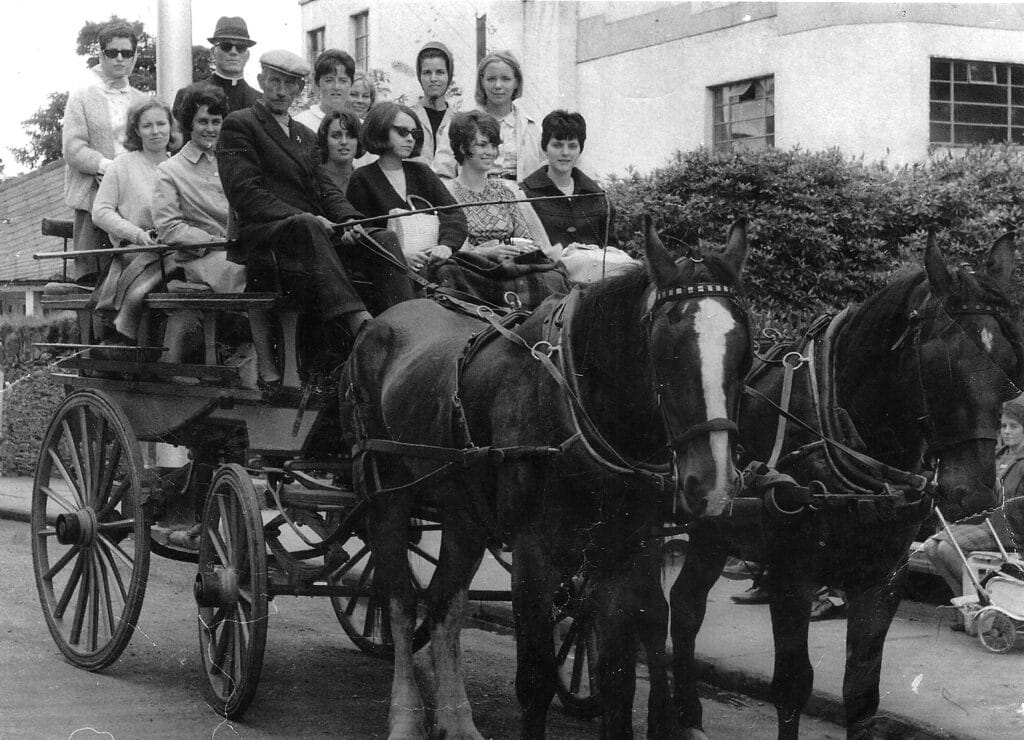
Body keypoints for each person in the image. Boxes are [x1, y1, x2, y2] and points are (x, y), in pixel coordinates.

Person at [217, 50, 414, 368]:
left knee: (382, 238)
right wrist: (302, 216)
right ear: (261, 81)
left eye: (290, 84)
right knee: (308, 222)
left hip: (311, 238)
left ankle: (409, 324)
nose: (282, 91)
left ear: (299, 90)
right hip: (267, 241)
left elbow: (326, 189)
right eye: (275, 81)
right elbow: (244, 194)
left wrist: (350, 220)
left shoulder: (305, 135)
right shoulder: (238, 126)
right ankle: (359, 322)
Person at [152, 83, 279, 388]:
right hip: (200, 256)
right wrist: (216, 239)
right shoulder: (170, 171)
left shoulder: (234, 161)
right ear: (188, 124)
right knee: (252, 273)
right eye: (202, 122)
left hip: (240, 246)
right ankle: (269, 369)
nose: (210, 129)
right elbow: (169, 227)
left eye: (216, 121)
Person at [427, 110, 565, 310]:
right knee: (450, 272)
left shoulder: (506, 190)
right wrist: (489, 252)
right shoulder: (446, 192)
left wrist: (521, 250)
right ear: (462, 147)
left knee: (555, 275)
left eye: (494, 145)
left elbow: (530, 240)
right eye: (482, 145)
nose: (491, 152)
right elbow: (454, 248)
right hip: (474, 269)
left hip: (511, 266)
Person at [62, 21, 148, 286]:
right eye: (112, 52)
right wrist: (108, 168)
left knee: (136, 277)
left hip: (135, 200)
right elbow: (73, 150)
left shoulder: (141, 99)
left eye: (126, 52)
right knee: (95, 282)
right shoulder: (82, 95)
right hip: (93, 199)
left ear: (134, 56)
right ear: (100, 54)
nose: (120, 58)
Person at [923, 398, 1024, 603]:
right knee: (930, 548)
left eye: (1014, 426)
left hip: (1012, 529)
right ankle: (967, 606)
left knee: (947, 548)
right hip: (990, 523)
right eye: (1003, 426)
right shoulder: (998, 457)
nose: (1006, 431)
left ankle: (984, 601)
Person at [346, 103, 466, 272]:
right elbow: (363, 234)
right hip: (389, 269)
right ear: (381, 129)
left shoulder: (422, 172)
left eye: (414, 133)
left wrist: (447, 245)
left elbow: (454, 213)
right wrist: (399, 254)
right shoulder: (362, 178)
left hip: (432, 263)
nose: (410, 139)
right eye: (402, 132)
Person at [90, 98, 173, 345]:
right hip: (136, 250)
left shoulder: (179, 165)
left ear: (171, 126)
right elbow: (101, 212)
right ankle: (124, 340)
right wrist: (137, 234)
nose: (156, 131)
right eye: (147, 125)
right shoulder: (122, 165)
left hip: (177, 248)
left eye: (162, 123)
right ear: (136, 130)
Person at [520, 110, 615, 249]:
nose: (565, 152)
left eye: (572, 146)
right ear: (545, 147)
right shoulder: (523, 195)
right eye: (557, 145)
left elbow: (612, 251)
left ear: (580, 149)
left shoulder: (599, 198)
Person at [474, 50, 541, 183]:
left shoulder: (531, 128)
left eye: (505, 79)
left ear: (516, 82)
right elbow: (443, 173)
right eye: (491, 79)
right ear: (482, 81)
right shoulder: (464, 123)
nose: (498, 85)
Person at [410, 41, 457, 179]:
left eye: (440, 72)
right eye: (427, 73)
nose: (433, 79)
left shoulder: (459, 121)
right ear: (419, 76)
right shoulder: (407, 117)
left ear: (449, 76)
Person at [294, 49, 355, 131]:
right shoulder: (300, 124)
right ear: (317, 82)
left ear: (351, 83)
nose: (336, 87)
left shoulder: (360, 126)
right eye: (329, 80)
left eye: (343, 81)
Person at [317, 110, 363, 193]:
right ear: (325, 139)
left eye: (351, 136)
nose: (344, 142)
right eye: (336, 136)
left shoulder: (364, 181)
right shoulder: (312, 179)